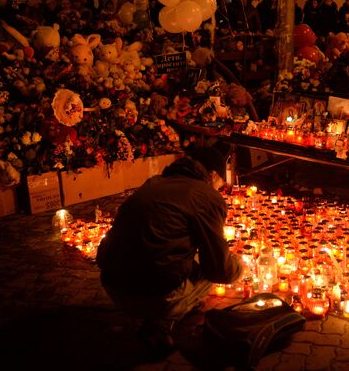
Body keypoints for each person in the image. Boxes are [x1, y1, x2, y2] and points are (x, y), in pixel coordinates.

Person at [97, 147, 243, 353]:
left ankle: (158, 310)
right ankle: (162, 321)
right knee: (209, 273)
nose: (220, 189)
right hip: (154, 295)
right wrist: (239, 264)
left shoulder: (154, 182)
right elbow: (220, 270)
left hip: (112, 283)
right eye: (221, 183)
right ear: (212, 175)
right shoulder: (205, 195)